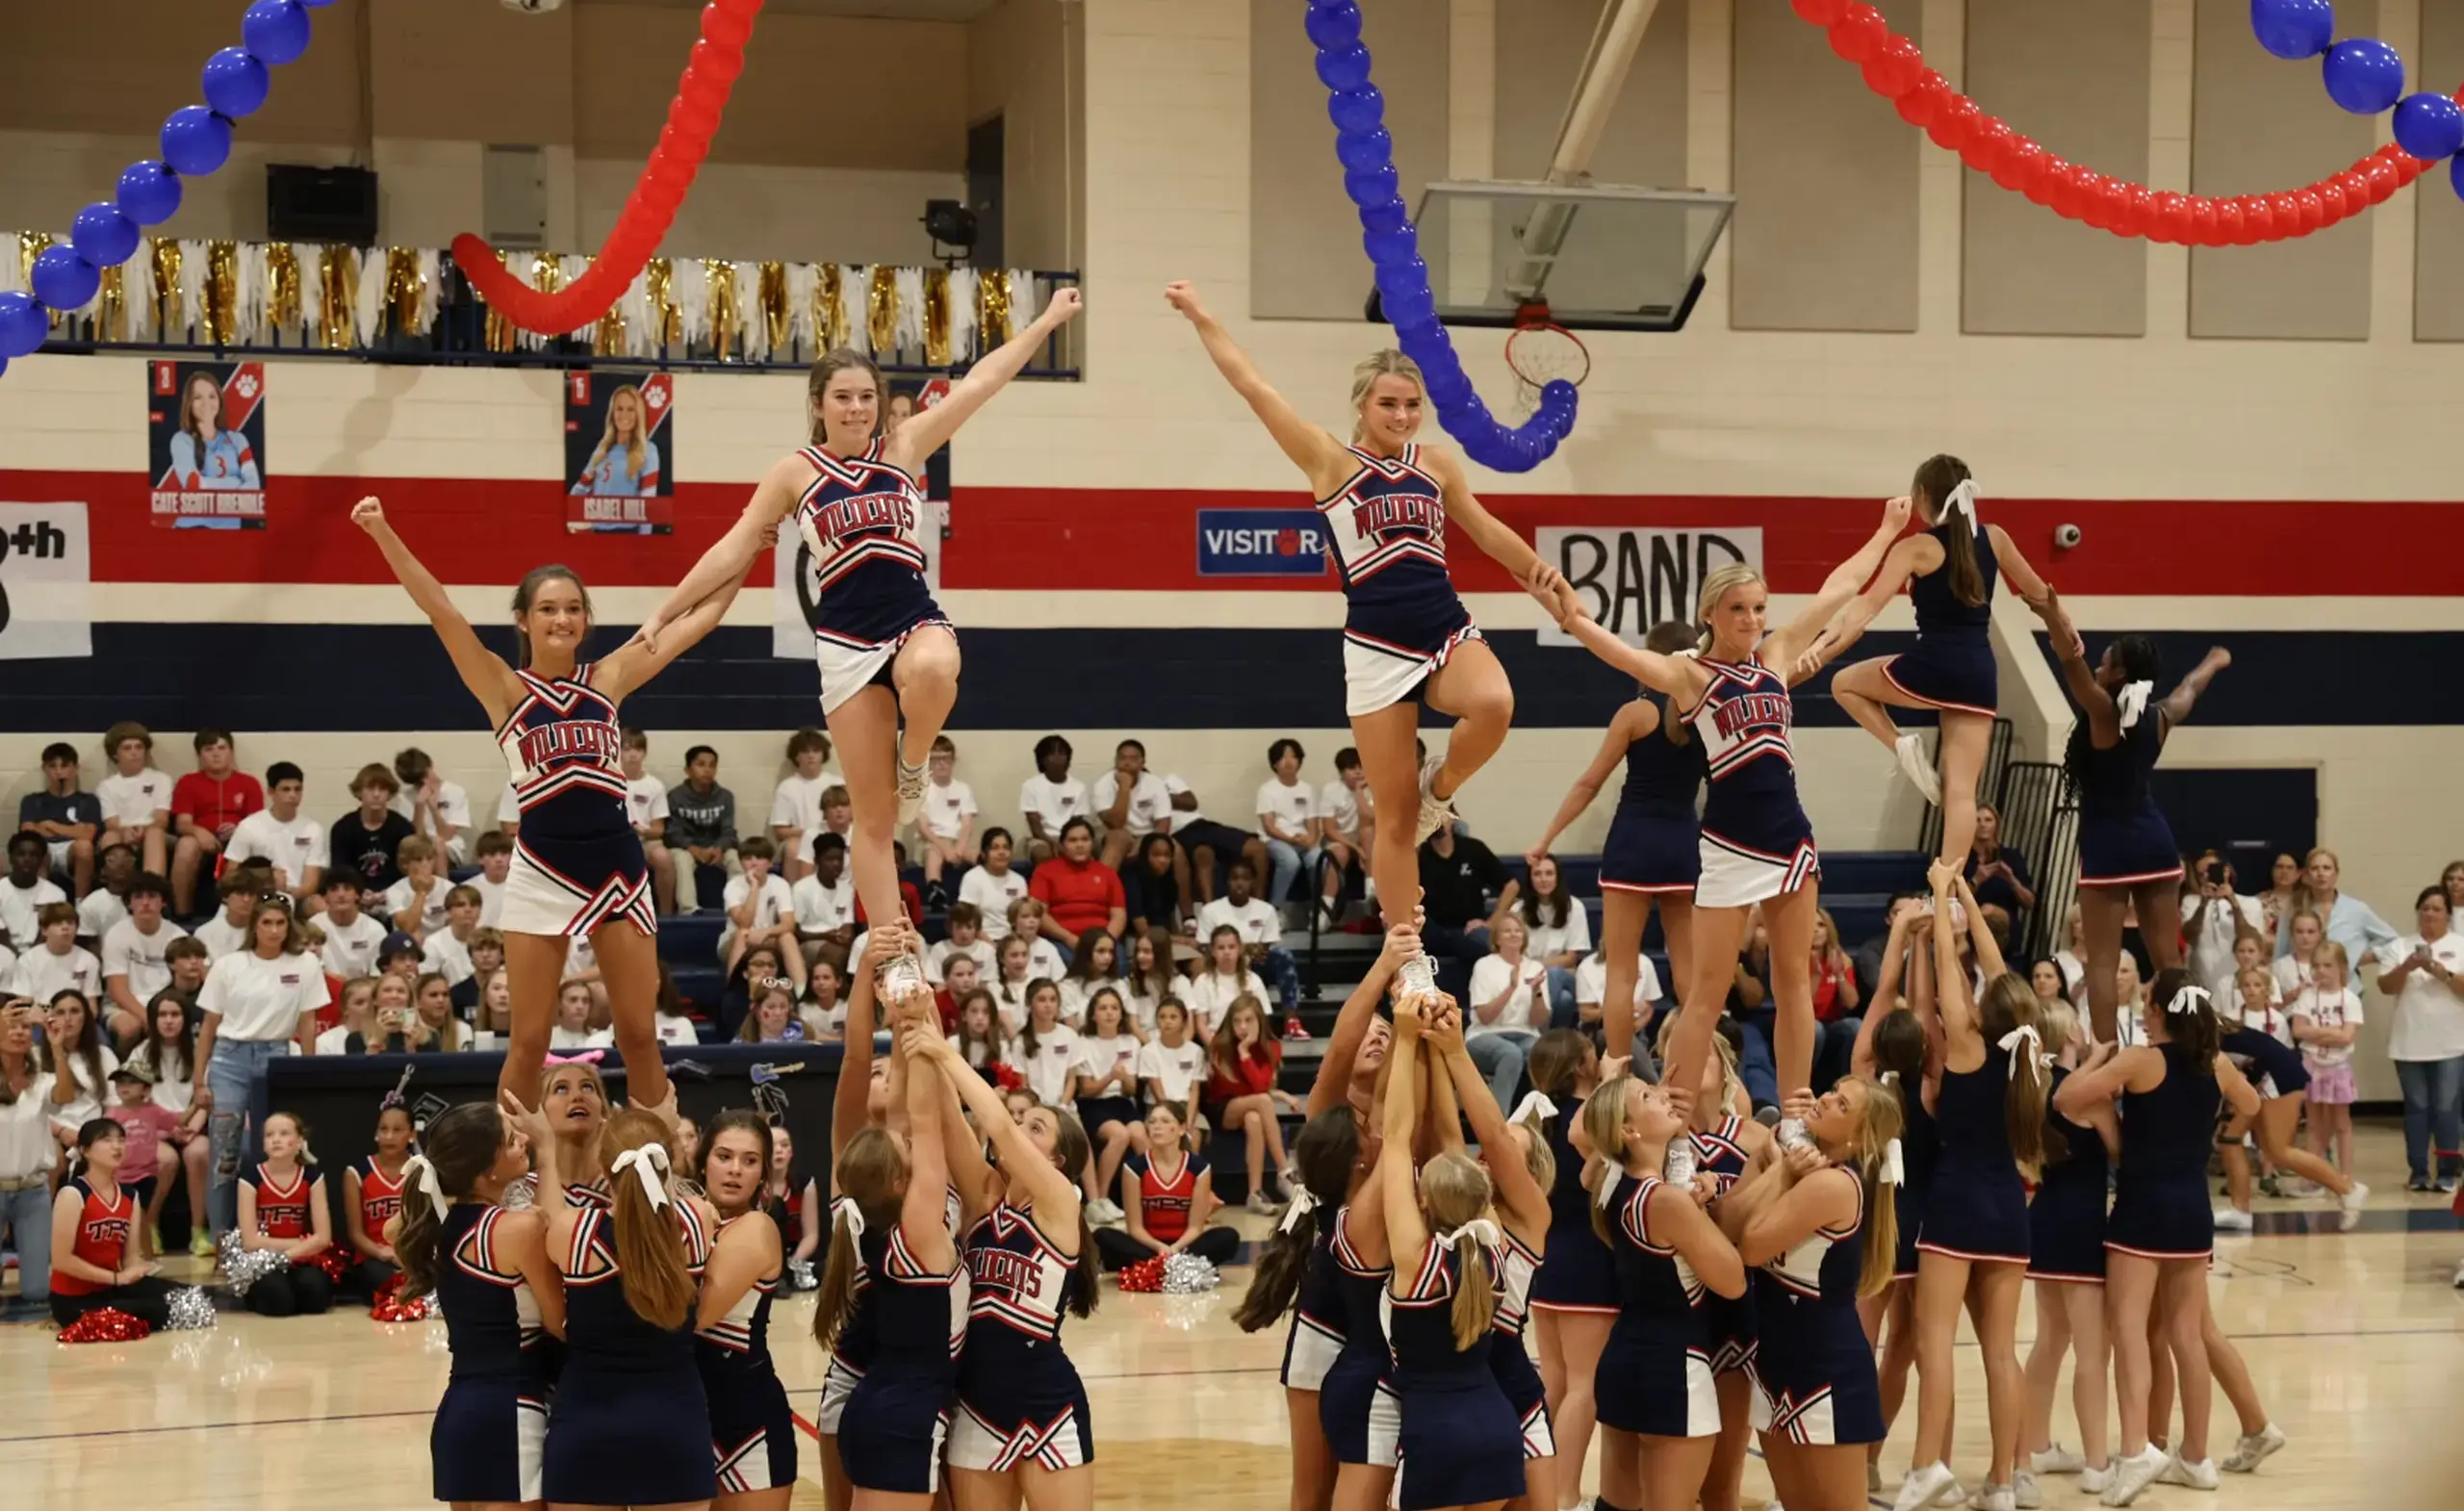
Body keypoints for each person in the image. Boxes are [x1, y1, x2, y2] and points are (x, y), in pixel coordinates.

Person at [640, 303, 1083, 956]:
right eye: (843, 397)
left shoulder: (904, 447)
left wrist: (1045, 324)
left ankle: (914, 762)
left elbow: (981, 383)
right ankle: (895, 954)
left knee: (935, 671)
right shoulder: (795, 473)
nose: (857, 408)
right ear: (818, 404)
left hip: (911, 615)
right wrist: (662, 611)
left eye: (867, 396)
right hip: (846, 641)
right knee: (873, 826)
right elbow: (733, 549)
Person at [1168, 282, 1578, 941]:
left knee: (1495, 704)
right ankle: (1406, 954)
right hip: (1377, 645)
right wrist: (1202, 316)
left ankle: (1439, 791)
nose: (1403, 414)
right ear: (1362, 404)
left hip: (1443, 625)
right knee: (1391, 817)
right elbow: (1255, 388)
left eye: (1413, 405)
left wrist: (1540, 574)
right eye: (1389, 403)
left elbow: (1482, 527)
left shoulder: (1436, 464)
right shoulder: (1331, 460)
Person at [354, 494, 758, 1116]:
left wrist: (751, 550)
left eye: (572, 608)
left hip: (619, 869)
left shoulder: (610, 678)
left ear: (586, 619)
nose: (561, 619)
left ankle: (656, 1166)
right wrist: (382, 530)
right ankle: (514, 1169)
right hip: (540, 868)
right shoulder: (503, 687)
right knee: (530, 1040)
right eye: (547, 609)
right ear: (523, 619)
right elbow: (439, 608)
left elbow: (697, 621)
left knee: (640, 1034)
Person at [1553, 499, 1911, 1170]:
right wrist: (1572, 617)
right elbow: (1620, 652)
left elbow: (1837, 590)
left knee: (1793, 980)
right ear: (1711, 615)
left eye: (1759, 607)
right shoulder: (1690, 675)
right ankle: (1680, 1131)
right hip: (1727, 846)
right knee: (1705, 994)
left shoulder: (1775, 655)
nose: (1752, 619)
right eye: (1739, 609)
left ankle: (1798, 1117)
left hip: (1790, 837)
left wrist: (1887, 532)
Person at [2053, 970, 2260, 1506]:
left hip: (2142, 1213)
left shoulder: (2143, 1059)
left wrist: (2099, 1062)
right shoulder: (2213, 1064)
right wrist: (2211, 1128)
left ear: (2164, 1011)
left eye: (2148, 1002)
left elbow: (2066, 1096)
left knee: (2129, 1334)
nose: (2144, 1011)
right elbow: (2254, 1106)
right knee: (2188, 1338)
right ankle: (2196, 1457)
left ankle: (2136, 1449)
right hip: (2193, 1212)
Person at [1894, 867, 2055, 1511]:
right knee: (2000, 1353)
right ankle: (2000, 1482)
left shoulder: (1966, 1046)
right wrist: (1965, 899)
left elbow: (1952, 975)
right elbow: (1999, 978)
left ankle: (1925, 1466)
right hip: (2009, 1215)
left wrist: (1941, 900)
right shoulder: (2033, 1056)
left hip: (1957, 1206)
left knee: (1935, 1347)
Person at [1814, 457, 2055, 876]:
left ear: (1923, 497)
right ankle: (1949, 890)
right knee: (1962, 791)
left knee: (1844, 685)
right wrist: (2065, 629)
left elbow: (1865, 608)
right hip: (1980, 672)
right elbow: (2039, 594)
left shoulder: (1916, 547)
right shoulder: (1995, 538)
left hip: (1936, 664)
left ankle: (1901, 746)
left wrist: (1821, 647)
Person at [907, 1003, 1101, 1506]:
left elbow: (998, 1128)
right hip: (976, 1401)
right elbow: (951, 1120)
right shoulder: (987, 1198)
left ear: (1057, 1162)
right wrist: (921, 1018)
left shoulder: (1059, 1203)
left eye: (1035, 1126)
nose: (1019, 1127)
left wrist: (944, 1052)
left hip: (1048, 1399)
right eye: (1022, 1120)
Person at [2038, 604, 2230, 1044]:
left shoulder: (2104, 714)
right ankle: (2191, 1043)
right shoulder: (2160, 716)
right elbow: (2190, 688)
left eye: (2106, 661)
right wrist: (2214, 660)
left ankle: (2105, 1053)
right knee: (2169, 959)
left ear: (2119, 672)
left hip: (2108, 844)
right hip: (2154, 841)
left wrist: (2053, 617)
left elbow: (2071, 666)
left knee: (2101, 961)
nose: (2100, 665)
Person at [1367, 990, 1528, 1511]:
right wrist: (1446, 1049)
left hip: (1437, 1436)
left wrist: (1409, 1034)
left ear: (1423, 1201)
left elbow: (1395, 1137)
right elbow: (1456, 1146)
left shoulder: (1416, 1259)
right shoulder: (1492, 1248)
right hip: (1498, 1430)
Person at [1715, 1074, 1903, 1511]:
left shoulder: (1832, 1184)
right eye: (1833, 1091)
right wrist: (1777, 1163)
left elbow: (1750, 1247)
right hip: (1776, 1363)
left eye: (1842, 1104)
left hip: (1825, 1373)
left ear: (1858, 1138)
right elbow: (1725, 1224)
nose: (1825, 1099)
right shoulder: (1804, 1170)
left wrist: (1781, 1169)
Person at [818, 980, 970, 1506]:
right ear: (902, 1183)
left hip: (889, 1401)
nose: (906, 1136)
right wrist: (923, 1023)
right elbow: (924, 1121)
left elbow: (910, 1116)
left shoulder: (889, 1216)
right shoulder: (918, 1229)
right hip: (898, 1410)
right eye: (905, 1150)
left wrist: (908, 1016)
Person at [1531, 620, 1709, 1063]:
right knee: (1688, 967)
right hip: (1684, 845)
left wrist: (1546, 838)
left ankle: (1618, 1071)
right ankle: (1702, 1062)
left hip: (1633, 844)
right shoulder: (1708, 714)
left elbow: (1589, 784)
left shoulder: (1635, 713)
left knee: (1621, 971)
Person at [537, 1105, 721, 1510]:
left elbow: (547, 1218)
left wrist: (547, 1152)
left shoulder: (573, 1232)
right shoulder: (697, 1220)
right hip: (675, 1425)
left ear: (604, 1172)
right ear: (669, 1162)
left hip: (587, 1424)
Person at [1583, 1072, 1748, 1511]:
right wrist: (1707, 1209)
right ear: (1628, 1130)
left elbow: (1591, 1163)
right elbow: (1733, 1281)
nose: (1664, 1096)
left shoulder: (1612, 1183)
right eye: (1648, 1095)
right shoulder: (1667, 1201)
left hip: (1623, 1361)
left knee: (1615, 1506)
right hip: (1675, 1369)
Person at [390, 1099, 563, 1511]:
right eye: (510, 1140)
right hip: (512, 1413)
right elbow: (562, 1323)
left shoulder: (436, 1228)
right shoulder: (518, 1229)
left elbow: (392, 1227)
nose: (524, 1140)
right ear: (487, 1168)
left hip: (460, 1414)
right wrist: (551, 1153)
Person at [1424, 998, 1558, 1511]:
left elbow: (1491, 1136)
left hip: (1512, 1385)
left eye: (1508, 1149)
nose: (1490, 1151)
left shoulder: (1530, 1218)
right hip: (1456, 1385)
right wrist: (1435, 1048)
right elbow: (1448, 1131)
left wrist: (1457, 1050)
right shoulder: (1463, 1205)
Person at [2019, 1000, 2117, 1499]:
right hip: (2080, 1226)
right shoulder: (2086, 1098)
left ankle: (2035, 1445)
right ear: (2071, 1031)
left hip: (2044, 1223)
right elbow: (2122, 1152)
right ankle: (2098, 1463)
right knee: (2091, 1352)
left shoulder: (2036, 1088)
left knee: (2050, 1342)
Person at [192, 897, 329, 1236]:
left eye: (280, 923)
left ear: (289, 926)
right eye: (266, 923)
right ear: (255, 925)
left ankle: (269, 1234)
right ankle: (223, 1242)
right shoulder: (229, 965)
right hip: (229, 1058)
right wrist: (199, 1081)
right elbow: (209, 1025)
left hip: (276, 1056)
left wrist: (307, 1070)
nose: (273, 930)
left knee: (271, 1147)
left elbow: (308, 1021)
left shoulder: (305, 963)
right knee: (224, 1156)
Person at [695, 1111, 797, 1511]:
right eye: (724, 1156)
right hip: (684, 1414)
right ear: (703, 1161)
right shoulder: (682, 1220)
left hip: (748, 1424)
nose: (735, 1170)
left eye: (750, 1161)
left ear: (763, 1176)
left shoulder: (759, 1227)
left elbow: (692, 1317)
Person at [47, 1115, 173, 1328]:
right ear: (85, 1150)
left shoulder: (129, 1195)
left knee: (185, 1297)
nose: (116, 1146)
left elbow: (130, 1255)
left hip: (110, 1289)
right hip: (74, 1300)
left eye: (121, 1140)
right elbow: (61, 1260)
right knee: (157, 1312)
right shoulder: (73, 1193)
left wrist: (138, 1269)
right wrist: (115, 1278)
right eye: (106, 1140)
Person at [2376, 886, 2464, 1193]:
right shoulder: (2401, 946)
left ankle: (2447, 1173)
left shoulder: (2460, 944)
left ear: (2448, 916)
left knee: (2446, 1108)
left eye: (2437, 909)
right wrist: (2409, 965)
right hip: (2408, 1042)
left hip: (2452, 1044)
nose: (2430, 914)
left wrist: (2442, 973)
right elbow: (2386, 986)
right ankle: (2418, 1172)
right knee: (2417, 1108)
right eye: (2425, 908)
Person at [1096, 1100, 1241, 1270]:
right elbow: (1134, 1228)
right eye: (1152, 1121)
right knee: (1102, 1236)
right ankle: (1176, 1266)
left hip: (1184, 1245)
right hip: (1149, 1246)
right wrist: (1160, 1248)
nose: (1157, 1126)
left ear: (1181, 1129)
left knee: (1228, 1236)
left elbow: (1195, 1227)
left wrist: (1175, 1248)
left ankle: (1155, 1267)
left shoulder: (1199, 1168)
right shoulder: (1134, 1168)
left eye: (1165, 1121)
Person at [1205, 992, 1297, 1213]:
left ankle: (1254, 1195)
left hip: (1250, 1107)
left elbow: (1259, 1087)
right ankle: (1284, 1170)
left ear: (1259, 1021)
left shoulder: (1272, 1047)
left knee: (1255, 1119)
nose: (1242, 1026)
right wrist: (1243, 1051)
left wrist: (1246, 1054)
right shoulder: (1219, 1046)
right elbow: (1239, 1089)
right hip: (1221, 1109)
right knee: (1263, 1102)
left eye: (1248, 1020)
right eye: (1237, 1021)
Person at [237, 1110, 336, 1317]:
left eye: (284, 1134)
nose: (276, 1140)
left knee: (315, 1296)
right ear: (263, 1144)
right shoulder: (251, 1178)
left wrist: (288, 1255)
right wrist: (299, 1244)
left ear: (299, 1142)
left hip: (301, 1257)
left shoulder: (312, 1176)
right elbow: (250, 1241)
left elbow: (324, 1237)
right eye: (270, 1135)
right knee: (278, 1302)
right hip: (262, 1259)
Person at [168, 729, 265, 916]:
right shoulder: (188, 782)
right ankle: (182, 914)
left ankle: (239, 913)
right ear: (200, 755)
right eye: (209, 749)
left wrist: (239, 830)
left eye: (222, 748)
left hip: (238, 838)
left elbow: (259, 823)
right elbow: (183, 823)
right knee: (186, 845)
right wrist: (199, 832)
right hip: (201, 841)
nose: (216, 754)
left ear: (231, 752)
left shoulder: (248, 783)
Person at [2289, 942, 2362, 1186]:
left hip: (2338, 1068)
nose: (2321, 970)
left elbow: (2347, 1036)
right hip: (2312, 1066)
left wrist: (2316, 1031)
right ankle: (2312, 1177)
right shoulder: (2308, 997)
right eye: (2316, 965)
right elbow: (2298, 1030)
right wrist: (2330, 1031)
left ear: (2341, 967)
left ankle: (2345, 1176)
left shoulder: (2349, 999)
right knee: (2314, 1124)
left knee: (2341, 1123)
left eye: (2327, 965)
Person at [344, 1096, 413, 1295]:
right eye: (383, 1129)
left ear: (412, 1135)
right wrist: (383, 1252)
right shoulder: (357, 1172)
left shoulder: (422, 1170)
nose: (389, 1136)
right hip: (374, 1257)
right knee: (390, 1286)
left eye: (398, 1130)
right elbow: (355, 1233)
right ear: (376, 1134)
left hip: (413, 1256)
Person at [19, 742, 101, 898]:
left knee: (84, 847)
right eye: (53, 766)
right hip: (45, 848)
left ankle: (80, 904)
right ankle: (39, 903)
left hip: (71, 851)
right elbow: (28, 831)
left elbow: (88, 835)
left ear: (75, 768)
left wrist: (50, 826)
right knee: (35, 845)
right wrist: (74, 830)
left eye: (64, 766)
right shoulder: (33, 800)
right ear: (45, 769)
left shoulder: (88, 800)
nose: (59, 772)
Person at [94, 723, 173, 880]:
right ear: (115, 754)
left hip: (156, 833)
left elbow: (161, 819)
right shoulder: (106, 786)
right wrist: (125, 832)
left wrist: (143, 831)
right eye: (127, 748)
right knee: (110, 837)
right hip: (122, 832)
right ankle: (116, 891)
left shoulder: (161, 779)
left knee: (154, 834)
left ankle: (152, 889)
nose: (134, 753)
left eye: (139, 747)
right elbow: (111, 823)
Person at [167, 369, 260, 490]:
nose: (206, 402)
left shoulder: (238, 439)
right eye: (198, 397)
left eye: (212, 396)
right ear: (189, 403)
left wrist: (207, 483)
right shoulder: (181, 440)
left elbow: (254, 485)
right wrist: (236, 482)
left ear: (219, 400)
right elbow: (192, 484)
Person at [573, 382, 661, 495]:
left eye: (630, 409)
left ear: (638, 414)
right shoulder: (602, 449)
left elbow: (648, 498)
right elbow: (578, 491)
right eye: (619, 409)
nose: (624, 415)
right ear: (612, 413)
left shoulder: (649, 450)